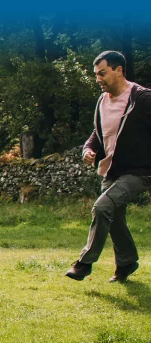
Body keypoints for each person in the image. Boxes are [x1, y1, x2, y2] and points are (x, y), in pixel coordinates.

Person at [66, 51, 151, 282]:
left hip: (139, 172)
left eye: (102, 73)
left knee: (103, 207)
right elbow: (97, 131)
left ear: (119, 70)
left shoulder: (141, 99)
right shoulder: (102, 101)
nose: (98, 79)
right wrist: (88, 149)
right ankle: (127, 263)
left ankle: (84, 264)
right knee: (113, 217)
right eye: (96, 75)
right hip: (111, 170)